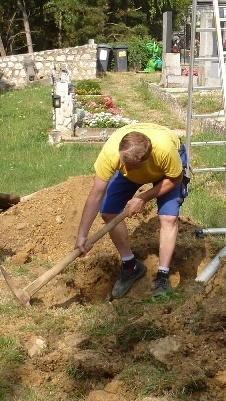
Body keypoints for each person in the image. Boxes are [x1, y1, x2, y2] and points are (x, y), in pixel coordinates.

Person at [76, 123, 189, 298]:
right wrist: (82, 235)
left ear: (144, 160)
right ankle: (131, 266)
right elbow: (96, 194)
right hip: (137, 162)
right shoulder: (112, 153)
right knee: (108, 211)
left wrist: (143, 198)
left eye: (131, 166)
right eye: (123, 163)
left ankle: (163, 275)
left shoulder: (165, 151)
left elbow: (176, 179)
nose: (125, 169)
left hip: (167, 175)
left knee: (168, 218)